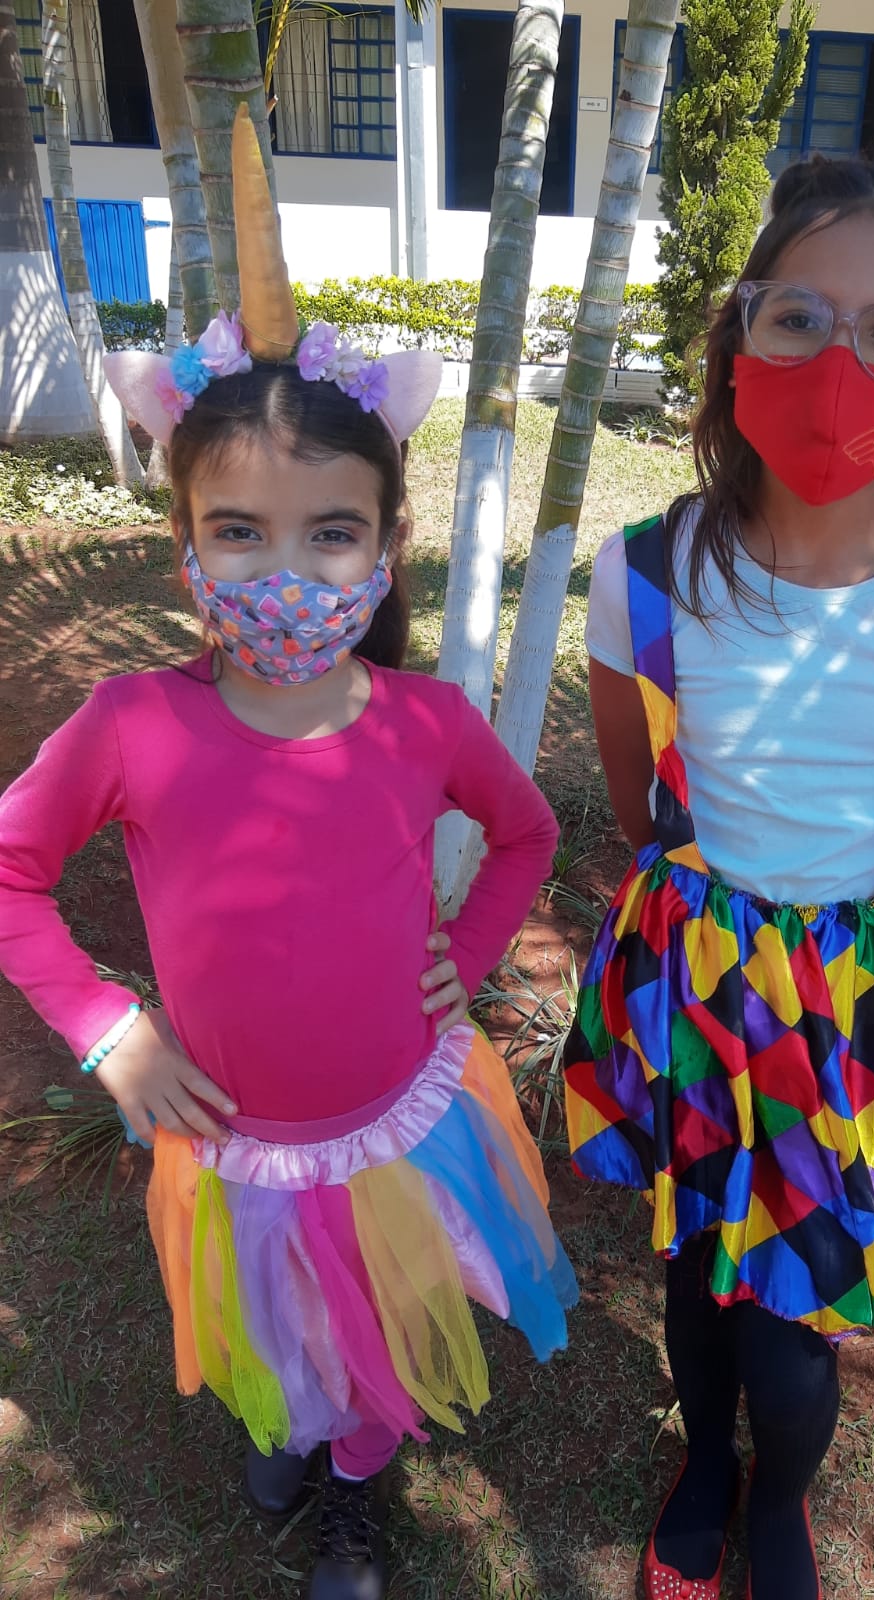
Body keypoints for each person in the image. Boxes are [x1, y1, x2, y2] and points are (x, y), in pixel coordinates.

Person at [0, 110, 575, 1600]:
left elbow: (527, 830)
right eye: (239, 531)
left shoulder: (426, 722)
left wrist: (470, 952)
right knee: (271, 1320)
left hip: (399, 1118)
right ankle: (286, 1426)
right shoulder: (133, 725)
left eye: (331, 533)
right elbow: (9, 872)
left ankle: (354, 1493)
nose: (286, 570)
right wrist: (111, 1028)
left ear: (384, 546)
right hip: (229, 1134)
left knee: (378, 1327)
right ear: (186, 541)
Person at [564, 152, 874, 1600]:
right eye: (797, 317)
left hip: (860, 1005)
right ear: (741, 336)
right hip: (699, 975)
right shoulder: (647, 572)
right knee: (696, 1271)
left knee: (793, 1325)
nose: (839, 361)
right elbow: (640, 801)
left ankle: (777, 1497)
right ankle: (702, 1467)